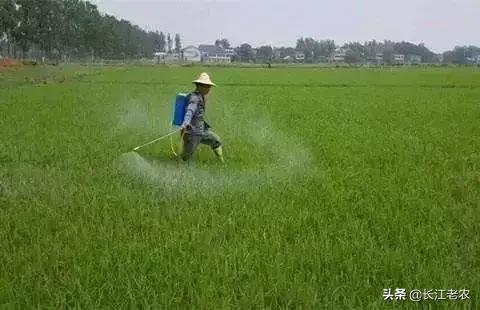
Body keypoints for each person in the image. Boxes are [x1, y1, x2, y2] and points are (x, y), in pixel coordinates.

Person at [180, 72, 224, 163]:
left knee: (216, 141)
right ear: (199, 86)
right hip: (192, 133)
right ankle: (180, 169)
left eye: (209, 86)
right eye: (206, 86)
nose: (209, 88)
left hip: (202, 130)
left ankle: (222, 163)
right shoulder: (194, 98)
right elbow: (190, 110)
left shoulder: (201, 95)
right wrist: (185, 123)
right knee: (186, 158)